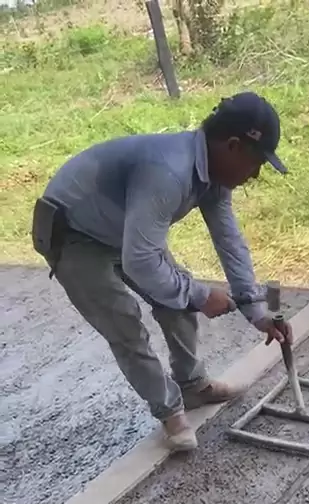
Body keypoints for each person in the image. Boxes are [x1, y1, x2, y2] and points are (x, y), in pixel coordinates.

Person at [32, 91, 292, 451]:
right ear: (233, 146)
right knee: (124, 325)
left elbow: (228, 239)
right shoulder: (169, 171)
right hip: (74, 235)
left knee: (177, 303)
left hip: (125, 229)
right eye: (256, 162)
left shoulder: (213, 174)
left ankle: (193, 386)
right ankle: (170, 412)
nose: (255, 174)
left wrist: (257, 311)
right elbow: (141, 261)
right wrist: (202, 295)